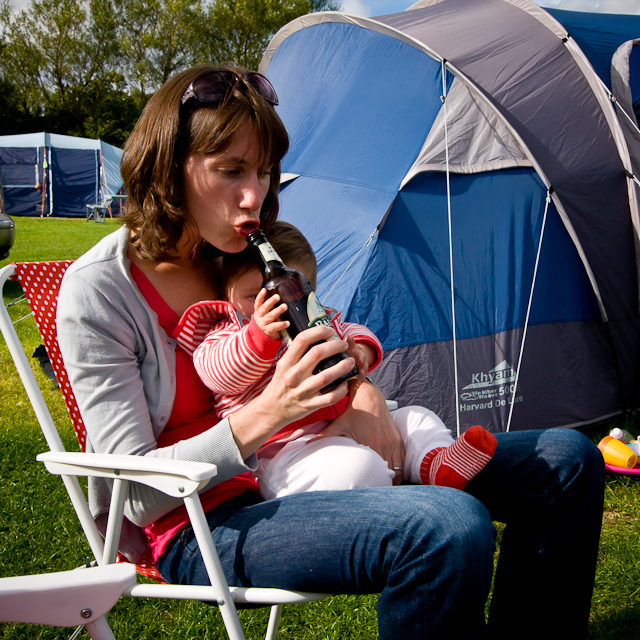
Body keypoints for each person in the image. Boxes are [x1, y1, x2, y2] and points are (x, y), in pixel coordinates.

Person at [56, 62, 605, 640]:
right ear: (168, 168)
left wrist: (363, 390)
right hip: (206, 520)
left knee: (565, 460)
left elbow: (330, 331)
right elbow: (134, 492)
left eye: (265, 173)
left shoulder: (241, 255)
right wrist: (273, 409)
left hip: (321, 450)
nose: (255, 196)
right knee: (447, 524)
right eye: (231, 171)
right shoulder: (101, 290)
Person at [177, 220, 497, 499]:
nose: (278, 308)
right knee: (356, 468)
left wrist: (361, 349)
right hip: (283, 449)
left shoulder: (317, 318)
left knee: (417, 418)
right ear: (227, 293)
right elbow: (218, 375)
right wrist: (258, 336)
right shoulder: (226, 332)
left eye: (291, 296)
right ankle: (392, 493)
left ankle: (435, 463)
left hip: (349, 419)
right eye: (255, 297)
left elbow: (352, 329)